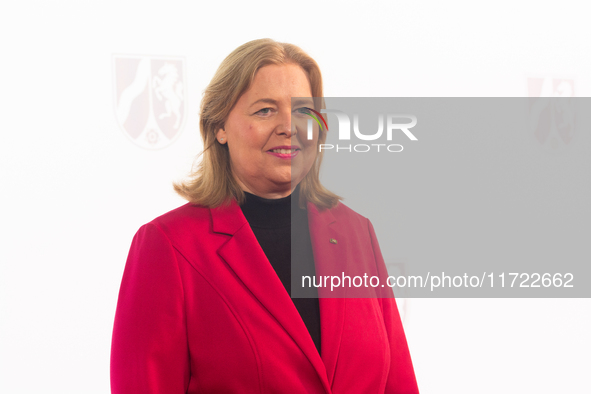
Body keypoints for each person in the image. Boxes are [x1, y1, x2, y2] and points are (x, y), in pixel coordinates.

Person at [110, 38, 419, 393]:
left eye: (303, 111)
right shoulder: (168, 246)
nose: (289, 127)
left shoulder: (357, 232)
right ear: (219, 127)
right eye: (265, 110)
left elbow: (399, 383)